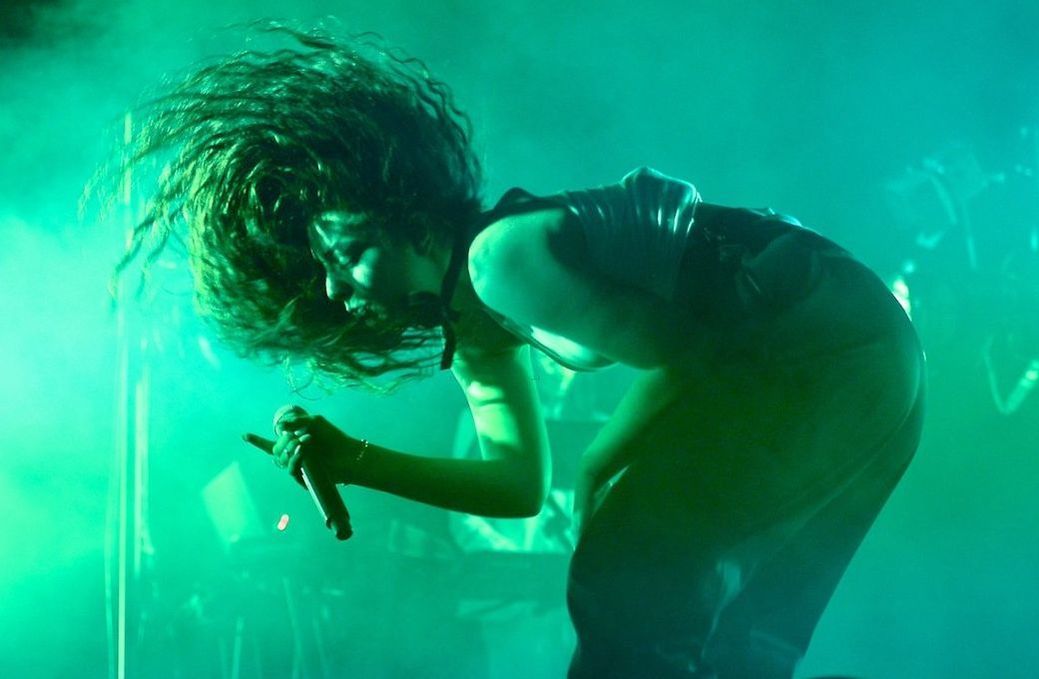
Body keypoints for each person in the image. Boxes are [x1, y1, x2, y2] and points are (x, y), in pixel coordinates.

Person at [110, 24, 924, 679]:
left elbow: (699, 352)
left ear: (405, 211)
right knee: (738, 643)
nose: (332, 286)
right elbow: (517, 482)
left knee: (627, 583)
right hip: (866, 358)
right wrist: (350, 458)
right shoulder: (478, 319)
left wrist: (603, 460)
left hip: (819, 340)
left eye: (345, 252)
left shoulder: (502, 258)